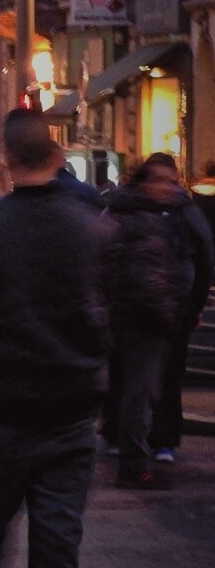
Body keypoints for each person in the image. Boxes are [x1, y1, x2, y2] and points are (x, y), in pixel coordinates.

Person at [0, 109, 113, 566]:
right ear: (57, 156)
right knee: (57, 544)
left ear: (6, 158)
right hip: (68, 406)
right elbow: (110, 314)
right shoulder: (93, 229)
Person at [101, 154, 212, 485]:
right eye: (160, 181)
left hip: (163, 314)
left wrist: (191, 306)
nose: (167, 188)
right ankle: (132, 452)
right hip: (137, 313)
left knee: (152, 383)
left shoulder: (179, 213)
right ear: (144, 182)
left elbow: (204, 256)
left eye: (172, 181)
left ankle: (154, 441)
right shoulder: (125, 212)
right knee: (136, 385)